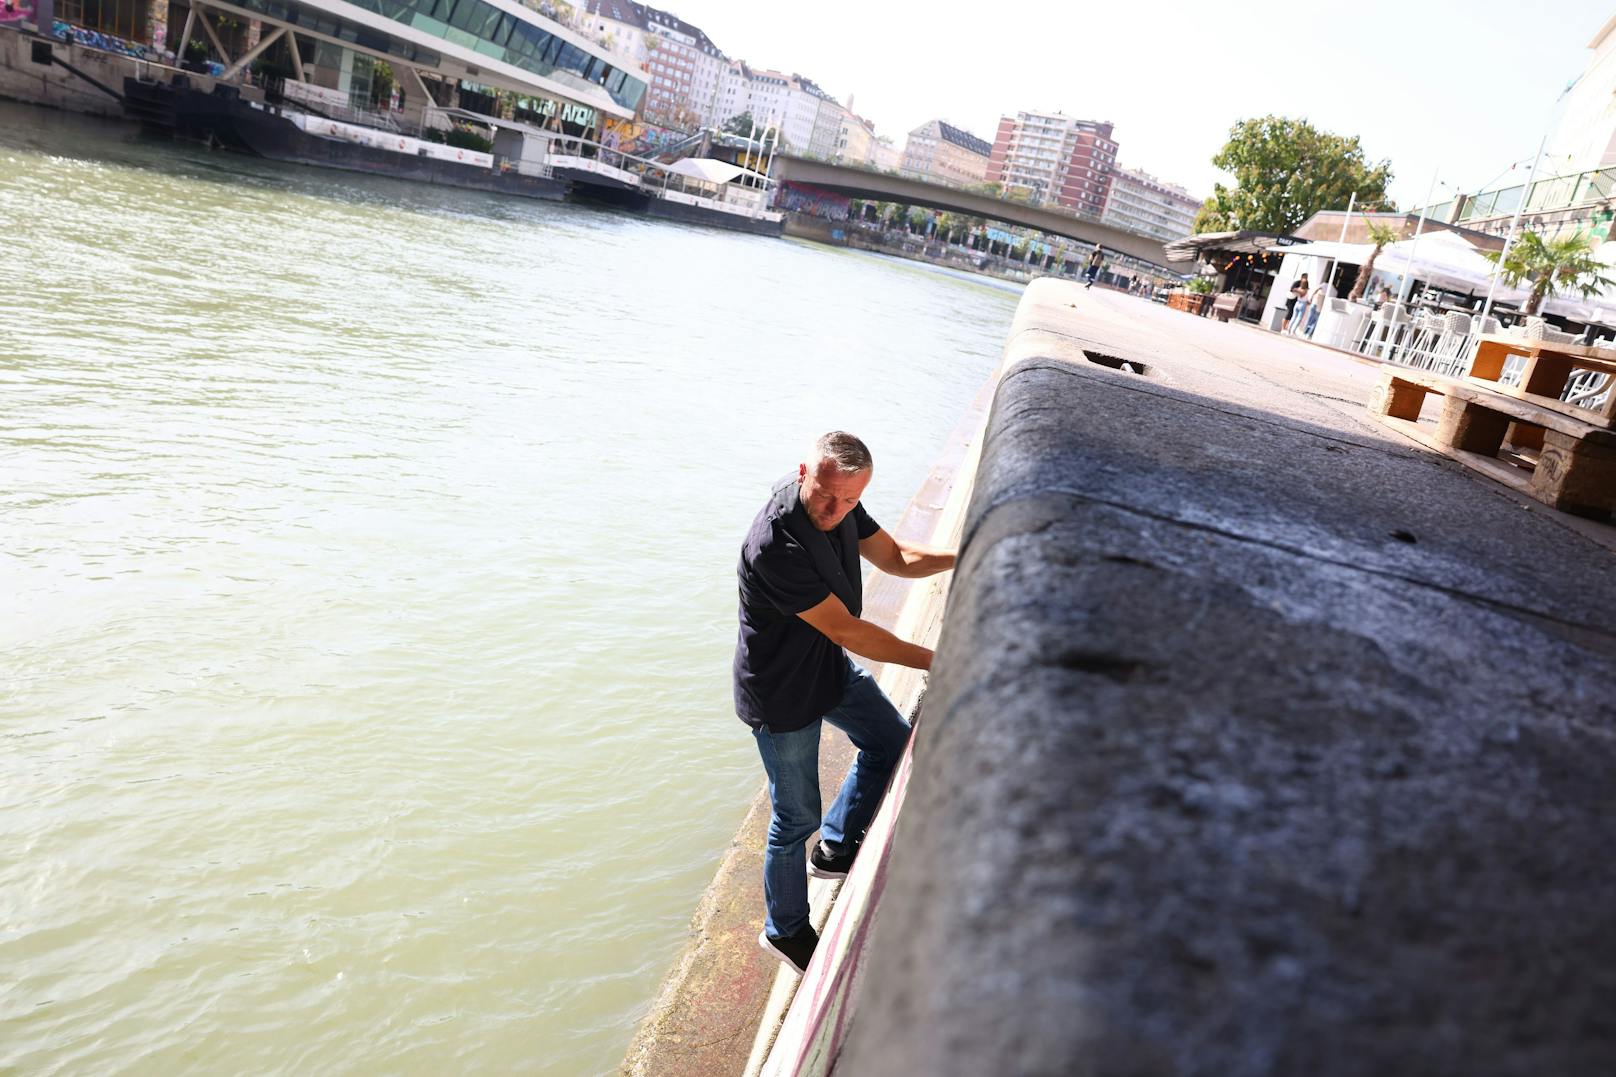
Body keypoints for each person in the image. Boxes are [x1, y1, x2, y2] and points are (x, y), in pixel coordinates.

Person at [734, 432, 956, 973]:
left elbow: (899, 557)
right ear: (803, 472)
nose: (836, 510)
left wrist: (972, 550)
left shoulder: (842, 501)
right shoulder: (775, 546)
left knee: (890, 743)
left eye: (851, 500)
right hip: (783, 692)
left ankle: (834, 848)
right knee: (794, 817)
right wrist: (945, 660)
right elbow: (850, 631)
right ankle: (784, 931)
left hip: (827, 666)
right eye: (827, 496)